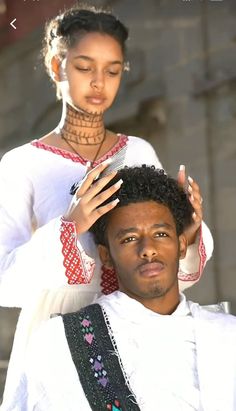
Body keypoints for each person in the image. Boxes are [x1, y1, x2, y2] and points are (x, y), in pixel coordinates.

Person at [0, 3, 213, 406]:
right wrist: (70, 226)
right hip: (61, 333)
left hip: (143, 325)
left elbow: (164, 265)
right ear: (55, 65)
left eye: (112, 71)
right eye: (84, 67)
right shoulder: (21, 164)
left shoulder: (138, 150)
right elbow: (3, 280)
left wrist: (186, 232)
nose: (99, 82)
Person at [4, 166, 235, 411]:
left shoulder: (227, 335)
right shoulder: (59, 342)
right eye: (129, 239)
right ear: (106, 256)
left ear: (181, 245)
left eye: (161, 233)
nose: (148, 248)